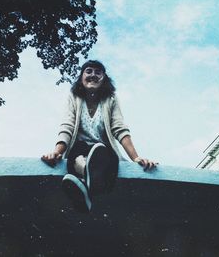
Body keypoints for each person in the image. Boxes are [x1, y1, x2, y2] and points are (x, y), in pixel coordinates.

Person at [41, 60, 157, 213]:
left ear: (104, 78)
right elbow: (67, 125)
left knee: (101, 151)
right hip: (80, 148)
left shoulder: (111, 99)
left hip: (104, 152)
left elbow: (120, 128)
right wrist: (58, 152)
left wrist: (135, 157)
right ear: (81, 77)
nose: (93, 75)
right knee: (77, 154)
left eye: (98, 72)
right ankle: (90, 182)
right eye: (88, 71)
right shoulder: (74, 97)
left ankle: (84, 187)